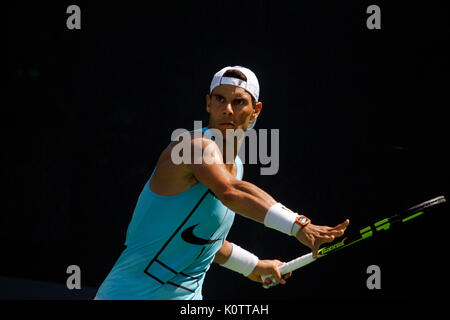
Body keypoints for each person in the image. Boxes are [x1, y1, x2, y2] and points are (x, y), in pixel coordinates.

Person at [94, 66, 349, 300]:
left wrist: (252, 266)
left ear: (255, 110)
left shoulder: (236, 167)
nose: (227, 109)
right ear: (208, 103)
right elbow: (230, 192)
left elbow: (203, 241)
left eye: (238, 102)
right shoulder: (192, 147)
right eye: (220, 99)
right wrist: (297, 224)